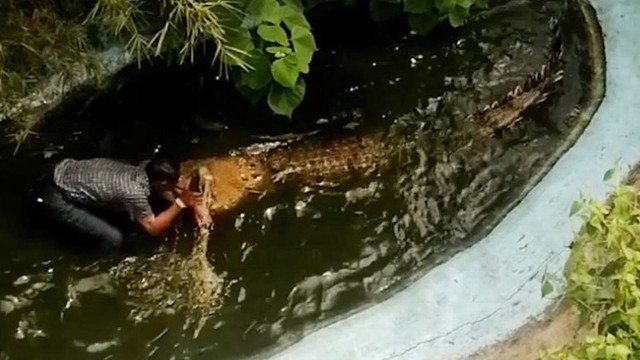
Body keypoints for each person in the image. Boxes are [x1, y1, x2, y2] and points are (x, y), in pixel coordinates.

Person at [41, 157, 198, 252]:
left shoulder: (144, 167)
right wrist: (180, 203)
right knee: (114, 238)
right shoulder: (134, 192)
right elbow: (153, 229)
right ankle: (100, 264)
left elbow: (161, 188)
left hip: (62, 169)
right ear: (162, 182)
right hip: (58, 197)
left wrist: (187, 200)